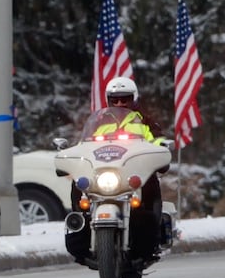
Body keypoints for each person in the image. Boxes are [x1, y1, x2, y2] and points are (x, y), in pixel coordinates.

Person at [67, 76, 171, 263]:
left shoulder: (145, 122)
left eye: (125, 98)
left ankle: (151, 235)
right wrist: (72, 158)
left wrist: (161, 150)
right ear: (108, 100)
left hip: (134, 175)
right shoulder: (98, 122)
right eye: (115, 99)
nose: (120, 103)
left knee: (151, 186)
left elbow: (158, 141)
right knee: (79, 183)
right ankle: (79, 223)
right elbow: (83, 146)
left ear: (134, 98)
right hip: (104, 173)